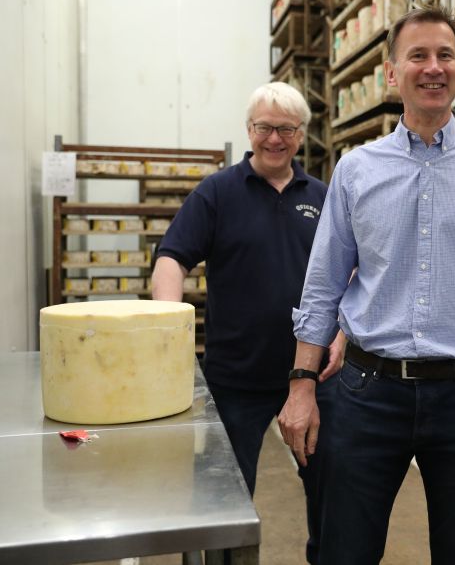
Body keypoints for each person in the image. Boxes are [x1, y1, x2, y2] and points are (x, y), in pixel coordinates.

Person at [277, 7, 455, 565]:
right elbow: (322, 288)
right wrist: (301, 385)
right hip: (368, 393)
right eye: (418, 56)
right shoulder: (358, 169)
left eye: (446, 55)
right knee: (345, 552)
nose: (433, 68)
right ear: (392, 73)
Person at [152, 81, 341, 565]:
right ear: (248, 130)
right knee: (225, 501)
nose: (273, 139)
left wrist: (344, 332)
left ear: (301, 134)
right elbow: (172, 259)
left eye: (285, 129)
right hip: (236, 378)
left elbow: (355, 273)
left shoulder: (323, 197)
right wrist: (170, 329)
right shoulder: (217, 193)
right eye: (263, 128)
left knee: (333, 493)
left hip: (316, 378)